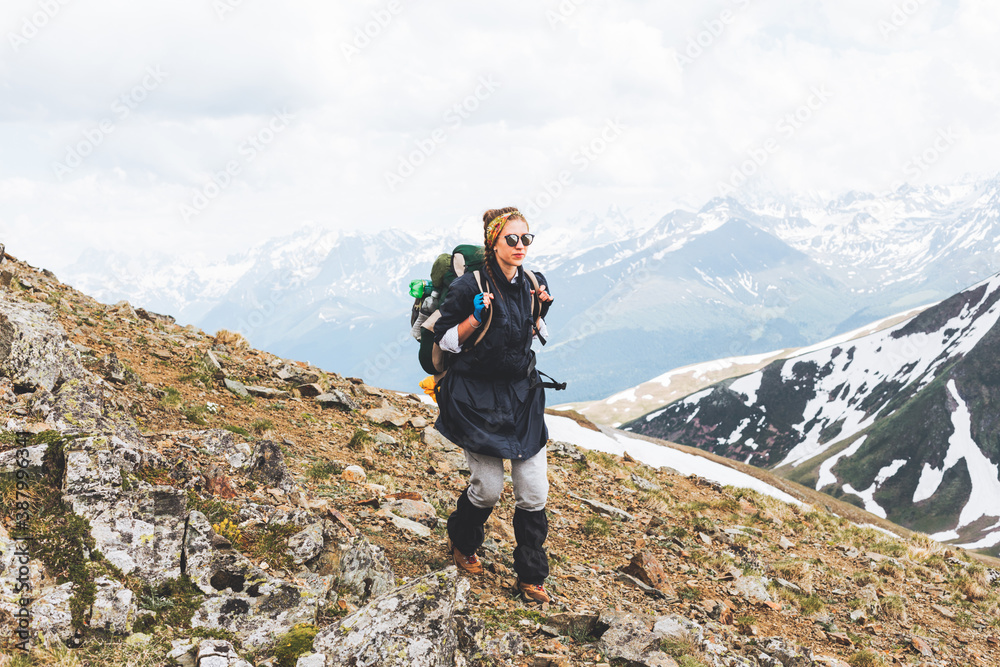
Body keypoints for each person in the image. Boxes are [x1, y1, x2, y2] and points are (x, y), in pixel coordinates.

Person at [433, 207, 554, 603]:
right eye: (511, 239)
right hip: (475, 398)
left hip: (522, 397)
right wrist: (474, 317)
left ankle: (531, 577)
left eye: (526, 239)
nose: (520, 247)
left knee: (533, 491)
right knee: (487, 489)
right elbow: (444, 340)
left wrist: (542, 310)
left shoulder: (534, 283)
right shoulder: (469, 286)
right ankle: (463, 542)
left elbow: (537, 332)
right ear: (493, 242)